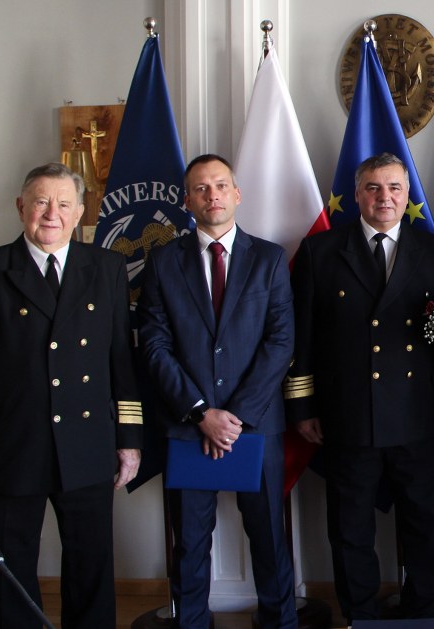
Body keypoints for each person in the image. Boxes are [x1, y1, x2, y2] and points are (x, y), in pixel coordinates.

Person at [0, 162, 141, 629]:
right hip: (10, 450)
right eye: (40, 202)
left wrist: (129, 438)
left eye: (64, 204)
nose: (51, 214)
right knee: (10, 574)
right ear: (20, 208)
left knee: (91, 568)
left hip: (88, 445)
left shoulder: (107, 268)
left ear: (80, 212)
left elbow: (120, 362)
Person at [287, 152, 434, 620]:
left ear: (408, 195)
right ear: (358, 194)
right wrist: (302, 406)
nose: (385, 197)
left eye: (395, 188)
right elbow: (303, 336)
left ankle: (424, 610)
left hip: (416, 412)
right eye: (374, 188)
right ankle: (359, 613)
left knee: (422, 518)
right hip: (347, 413)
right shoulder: (321, 251)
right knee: (350, 524)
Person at [138, 153, 296, 629]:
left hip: (256, 426)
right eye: (201, 189)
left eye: (221, 186)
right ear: (187, 200)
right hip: (189, 426)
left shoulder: (269, 259)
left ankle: (279, 622)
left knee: (269, 536)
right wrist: (200, 412)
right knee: (188, 543)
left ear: (237, 193)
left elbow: (281, 340)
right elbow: (154, 342)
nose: (212, 196)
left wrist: (237, 415)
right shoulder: (163, 261)